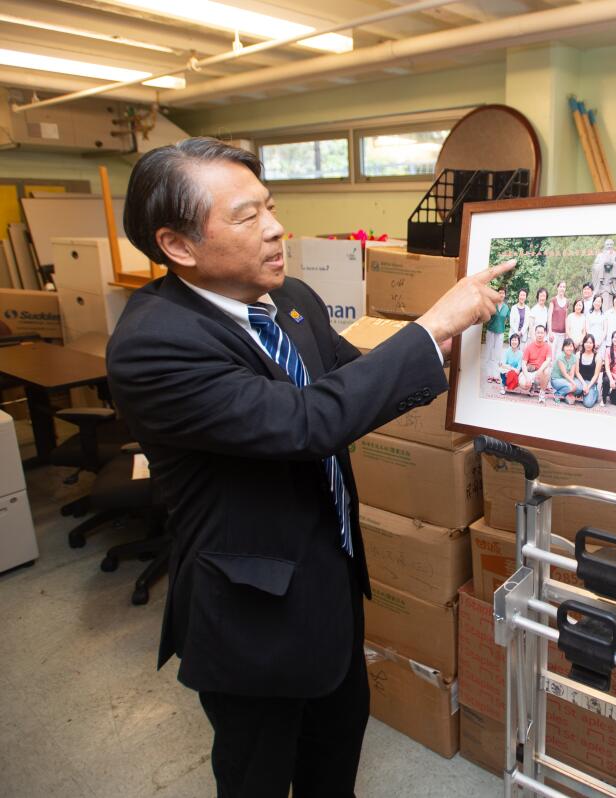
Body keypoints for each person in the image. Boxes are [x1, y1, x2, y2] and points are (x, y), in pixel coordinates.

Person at [104, 137, 509, 798]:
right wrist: (434, 320)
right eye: (246, 216)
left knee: (335, 757)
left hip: (330, 585)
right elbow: (305, 421)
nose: (274, 228)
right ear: (178, 245)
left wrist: (482, 366)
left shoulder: (288, 298)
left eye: (270, 206)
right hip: (253, 616)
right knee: (257, 775)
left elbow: (350, 381)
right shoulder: (154, 344)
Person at [520, 324, 553, 402]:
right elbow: (523, 363)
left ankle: (542, 393)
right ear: (535, 334)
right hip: (529, 372)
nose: (540, 335)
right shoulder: (529, 346)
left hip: (539, 374)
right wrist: (527, 376)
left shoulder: (548, 347)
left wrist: (539, 371)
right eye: (538, 333)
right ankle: (531, 386)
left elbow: (548, 360)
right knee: (524, 384)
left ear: (545, 334)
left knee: (547, 370)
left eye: (542, 333)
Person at [483, 285, 509, 381]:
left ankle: (496, 375)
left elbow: (507, 319)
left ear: (505, 295)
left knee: (497, 354)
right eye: (500, 292)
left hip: (500, 332)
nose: (501, 294)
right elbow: (486, 315)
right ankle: (489, 375)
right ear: (497, 294)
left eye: (503, 293)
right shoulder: (492, 304)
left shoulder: (506, 307)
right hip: (490, 331)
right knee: (489, 352)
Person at [590, 239, 616, 311]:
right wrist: (603, 264)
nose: (609, 246)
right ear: (605, 246)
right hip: (602, 284)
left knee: (611, 305)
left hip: (612, 285)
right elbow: (594, 267)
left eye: (611, 244)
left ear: (613, 246)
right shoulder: (600, 256)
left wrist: (613, 264)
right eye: (607, 244)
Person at [550, 337, 582, 405]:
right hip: (557, 379)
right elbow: (564, 374)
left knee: (579, 388)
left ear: (573, 347)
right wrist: (573, 383)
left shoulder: (574, 357)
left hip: (567, 379)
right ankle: (557, 394)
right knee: (571, 386)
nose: (569, 348)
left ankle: (566, 394)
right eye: (567, 346)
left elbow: (572, 373)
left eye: (571, 346)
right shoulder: (560, 357)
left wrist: (573, 383)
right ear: (563, 347)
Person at [576, 333, 602, 408]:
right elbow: (577, 372)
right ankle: (580, 393)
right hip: (580, 381)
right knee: (574, 388)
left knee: (588, 404)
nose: (588, 344)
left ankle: (594, 393)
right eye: (586, 342)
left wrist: (588, 386)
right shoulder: (578, 354)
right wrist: (584, 384)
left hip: (591, 382)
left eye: (590, 343)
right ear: (583, 343)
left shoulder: (597, 356)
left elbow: (596, 375)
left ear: (593, 344)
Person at [549, 280, 569, 356]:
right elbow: (549, 317)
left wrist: (566, 333)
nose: (562, 288)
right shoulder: (553, 300)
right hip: (553, 332)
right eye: (561, 286)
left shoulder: (567, 301)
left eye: (564, 287)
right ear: (557, 288)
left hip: (562, 334)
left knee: (559, 355)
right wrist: (550, 332)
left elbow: (566, 318)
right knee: (551, 355)